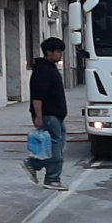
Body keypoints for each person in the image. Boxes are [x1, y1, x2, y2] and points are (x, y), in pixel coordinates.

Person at [22, 37, 70, 191]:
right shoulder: (42, 71)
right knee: (55, 146)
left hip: (56, 115)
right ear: (49, 52)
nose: (60, 55)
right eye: (58, 52)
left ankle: (33, 164)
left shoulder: (50, 68)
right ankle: (52, 178)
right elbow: (38, 96)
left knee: (59, 145)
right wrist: (39, 116)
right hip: (49, 115)